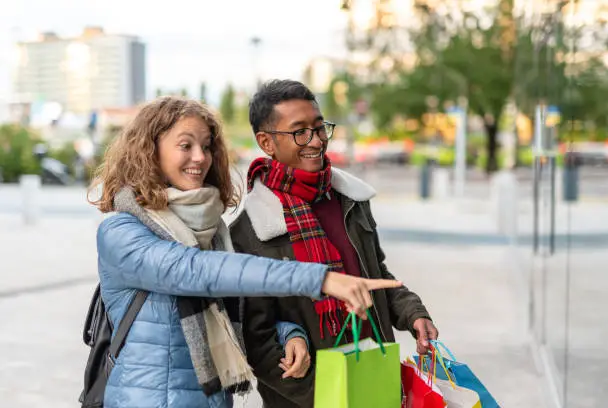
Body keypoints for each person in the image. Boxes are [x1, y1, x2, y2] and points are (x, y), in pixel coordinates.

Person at [88, 96, 401, 408]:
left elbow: (232, 310)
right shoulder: (121, 231)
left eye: (207, 146)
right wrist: (321, 279)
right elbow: (198, 271)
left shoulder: (209, 229)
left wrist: (290, 334)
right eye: (186, 146)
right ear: (150, 151)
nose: (200, 157)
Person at [229, 80, 439, 407]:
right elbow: (257, 341)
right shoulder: (250, 229)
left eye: (319, 127)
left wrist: (412, 313)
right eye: (299, 132)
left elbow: (374, 274)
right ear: (266, 142)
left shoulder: (349, 200)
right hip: (309, 398)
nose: (316, 140)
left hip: (373, 380)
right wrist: (328, 398)